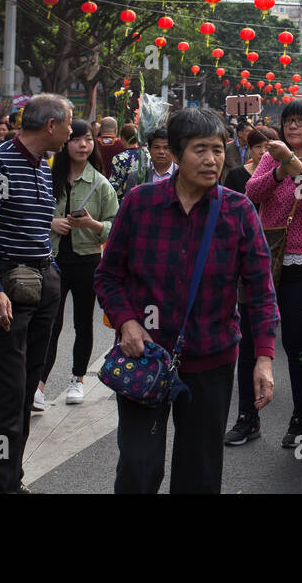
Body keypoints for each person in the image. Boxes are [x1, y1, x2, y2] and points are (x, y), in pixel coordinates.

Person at [95, 108, 279, 493]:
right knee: (138, 469)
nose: (211, 159)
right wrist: (127, 321)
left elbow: (260, 289)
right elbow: (109, 275)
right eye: (200, 149)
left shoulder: (238, 210)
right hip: (143, 356)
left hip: (211, 359)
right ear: (175, 154)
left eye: (217, 149)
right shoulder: (140, 204)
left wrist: (263, 357)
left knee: (199, 473)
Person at [0, 93, 73, 494]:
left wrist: (53, 272)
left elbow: (40, 228)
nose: (71, 131)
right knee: (9, 394)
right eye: (68, 123)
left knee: (27, 392)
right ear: (50, 125)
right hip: (11, 289)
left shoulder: (44, 167)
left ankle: (11, 477)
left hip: (44, 284)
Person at [243, 98, 302, 449]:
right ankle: (247, 416)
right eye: (287, 121)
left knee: (298, 347)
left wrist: (288, 161)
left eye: (300, 121)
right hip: (267, 261)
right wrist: (279, 167)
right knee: (254, 341)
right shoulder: (270, 158)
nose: (292, 127)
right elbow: (252, 192)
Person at [36, 119, 119, 411]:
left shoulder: (100, 183)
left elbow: (114, 227)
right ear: (65, 143)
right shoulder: (45, 177)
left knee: (83, 323)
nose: (83, 145)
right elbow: (30, 213)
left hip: (87, 261)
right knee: (49, 325)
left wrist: (92, 224)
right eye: (76, 140)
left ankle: (77, 379)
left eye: (87, 140)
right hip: (52, 261)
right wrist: (51, 223)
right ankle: (39, 385)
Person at [223, 128, 268, 194]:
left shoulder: (280, 174)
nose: (263, 152)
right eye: (258, 147)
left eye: (267, 147)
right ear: (250, 149)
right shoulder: (235, 175)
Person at [108, 123, 140, 197]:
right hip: (142, 198)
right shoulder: (146, 156)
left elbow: (114, 183)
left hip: (125, 199)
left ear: (123, 138)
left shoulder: (119, 158)